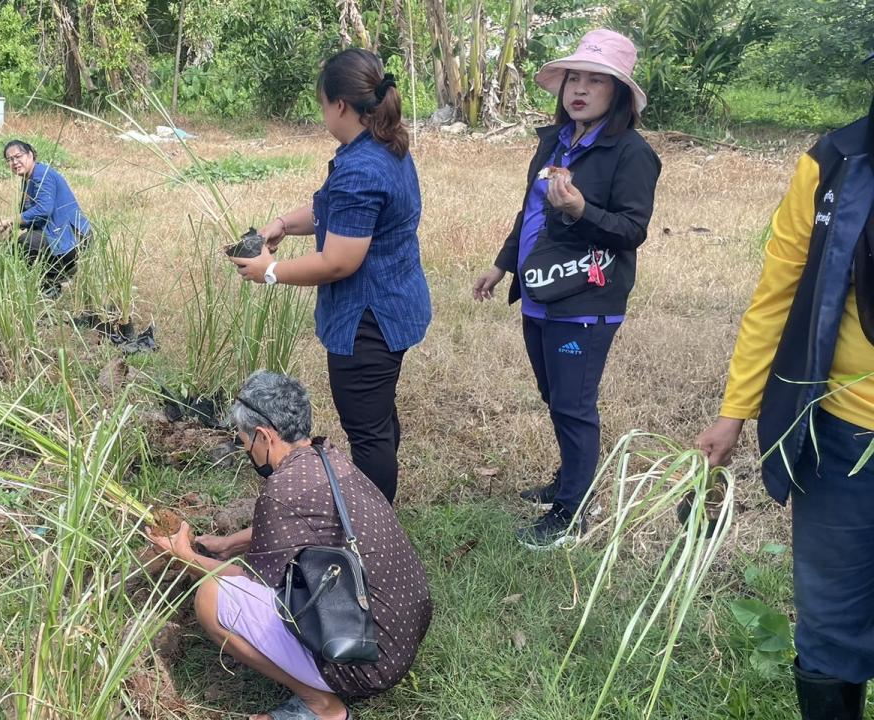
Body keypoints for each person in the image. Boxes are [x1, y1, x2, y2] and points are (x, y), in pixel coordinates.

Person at [695, 52, 874, 720]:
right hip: (842, 440)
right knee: (829, 622)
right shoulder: (834, 164)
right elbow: (776, 297)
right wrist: (734, 412)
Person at [471, 28, 662, 550]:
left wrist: (581, 210)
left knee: (574, 404)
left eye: (595, 81)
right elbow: (529, 211)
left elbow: (632, 230)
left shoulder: (631, 153)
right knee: (554, 395)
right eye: (573, 78)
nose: (579, 89)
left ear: (618, 92)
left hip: (587, 298)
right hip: (540, 289)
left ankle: (573, 510)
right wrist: (502, 265)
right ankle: (569, 479)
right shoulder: (555, 143)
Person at [147, 371, 431, 720]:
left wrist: (184, 556)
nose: (246, 450)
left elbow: (249, 580)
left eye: (245, 442)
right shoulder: (327, 456)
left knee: (211, 598)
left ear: (264, 436)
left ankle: (321, 704)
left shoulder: (281, 492)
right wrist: (227, 542)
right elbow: (312, 520)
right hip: (399, 640)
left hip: (364, 661)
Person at [228, 48, 431, 504]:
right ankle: (378, 514)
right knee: (377, 415)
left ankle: (371, 529)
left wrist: (271, 272)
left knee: (367, 430)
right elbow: (331, 210)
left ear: (340, 105)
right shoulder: (384, 144)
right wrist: (281, 224)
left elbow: (341, 259)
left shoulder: (361, 167)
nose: (323, 114)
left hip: (369, 319)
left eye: (322, 105)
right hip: (396, 305)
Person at [0, 139, 91, 296]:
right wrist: (13, 226)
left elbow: (43, 210)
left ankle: (52, 281)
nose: (14, 162)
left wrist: (13, 220)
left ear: (31, 155)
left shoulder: (42, 175)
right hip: (58, 234)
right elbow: (32, 215)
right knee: (14, 248)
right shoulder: (29, 179)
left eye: (18, 156)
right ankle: (46, 282)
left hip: (73, 237)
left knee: (25, 243)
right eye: (10, 159)